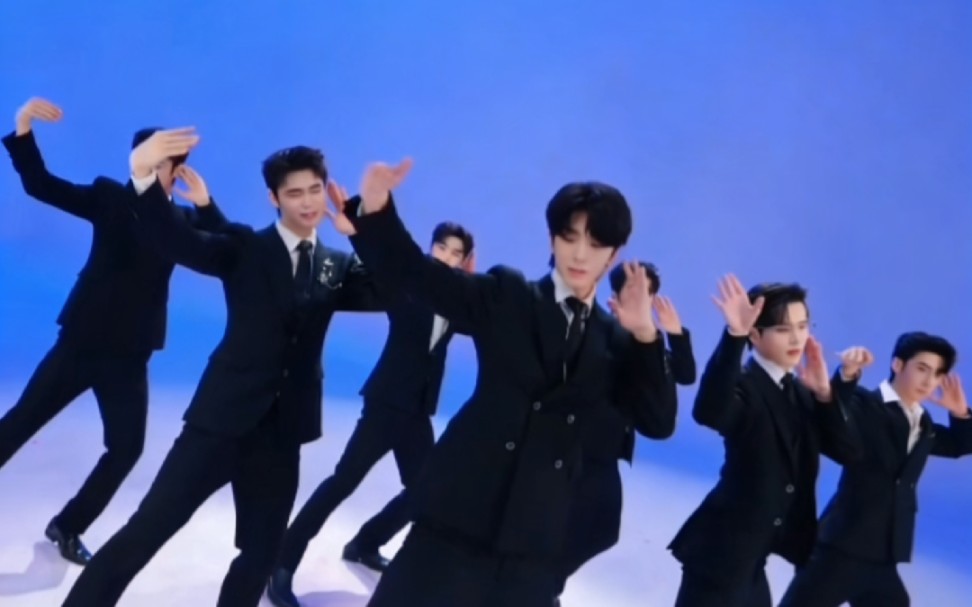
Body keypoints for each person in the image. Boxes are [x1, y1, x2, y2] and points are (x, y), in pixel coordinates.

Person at [336, 159, 677, 606]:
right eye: (569, 237)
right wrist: (377, 209)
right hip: (454, 518)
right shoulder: (509, 294)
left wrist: (647, 336)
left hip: (533, 542)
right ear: (552, 238)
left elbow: (657, 422)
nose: (580, 255)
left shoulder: (614, 338)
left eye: (596, 244)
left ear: (613, 254)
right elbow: (420, 277)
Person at [61, 141, 382, 607]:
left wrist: (363, 234)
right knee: (146, 531)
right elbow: (177, 241)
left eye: (315, 190)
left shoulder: (336, 264)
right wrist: (144, 177)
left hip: (282, 435)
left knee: (261, 556)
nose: (308, 202)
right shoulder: (246, 246)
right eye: (294, 193)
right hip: (218, 423)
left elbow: (392, 292)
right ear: (274, 198)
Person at [0, 98, 225, 565]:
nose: (155, 169)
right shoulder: (110, 197)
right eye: (149, 159)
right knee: (21, 422)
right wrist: (22, 127)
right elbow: (42, 185)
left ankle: (67, 526)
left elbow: (221, 253)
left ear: (177, 170)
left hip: (130, 355)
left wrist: (205, 204)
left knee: (126, 448)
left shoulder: (182, 221)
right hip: (81, 342)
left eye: (165, 162)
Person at [267, 221, 476, 607]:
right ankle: (282, 562)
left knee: (424, 491)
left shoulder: (454, 299)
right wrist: (356, 230)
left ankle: (364, 544)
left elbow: (481, 317)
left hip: (416, 412)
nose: (446, 257)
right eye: (442, 248)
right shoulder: (407, 285)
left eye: (456, 254)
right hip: (386, 404)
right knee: (342, 482)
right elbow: (381, 261)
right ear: (430, 248)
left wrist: (469, 285)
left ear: (464, 262)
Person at [668, 276, 861, 607]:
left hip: (753, 560)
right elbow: (710, 411)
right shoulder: (745, 384)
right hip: (720, 556)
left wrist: (825, 394)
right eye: (783, 329)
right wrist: (734, 336)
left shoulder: (799, 391)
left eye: (803, 326)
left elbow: (848, 452)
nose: (797, 338)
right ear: (755, 335)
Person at [779, 332, 972, 607]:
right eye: (922, 368)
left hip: (882, 556)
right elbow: (833, 412)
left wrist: (961, 413)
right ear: (898, 364)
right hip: (840, 549)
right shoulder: (865, 404)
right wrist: (847, 373)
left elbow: (958, 446)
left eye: (938, 374)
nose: (929, 381)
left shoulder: (923, 423)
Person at [552, 260, 699, 604]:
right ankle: (540, 587)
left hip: (604, 455)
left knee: (601, 531)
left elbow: (682, 377)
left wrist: (673, 334)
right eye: (634, 291)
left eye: (649, 293)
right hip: (569, 452)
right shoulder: (597, 331)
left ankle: (545, 584)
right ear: (614, 297)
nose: (643, 298)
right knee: (571, 529)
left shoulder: (650, 344)